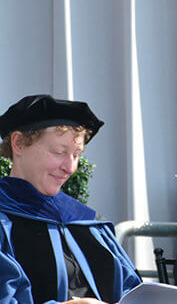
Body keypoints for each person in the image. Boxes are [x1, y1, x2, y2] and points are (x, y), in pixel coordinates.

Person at [0, 95, 141, 304]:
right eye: (59, 152)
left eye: (77, 154)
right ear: (18, 143)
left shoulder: (87, 222)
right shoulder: (5, 219)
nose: (70, 167)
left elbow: (130, 288)